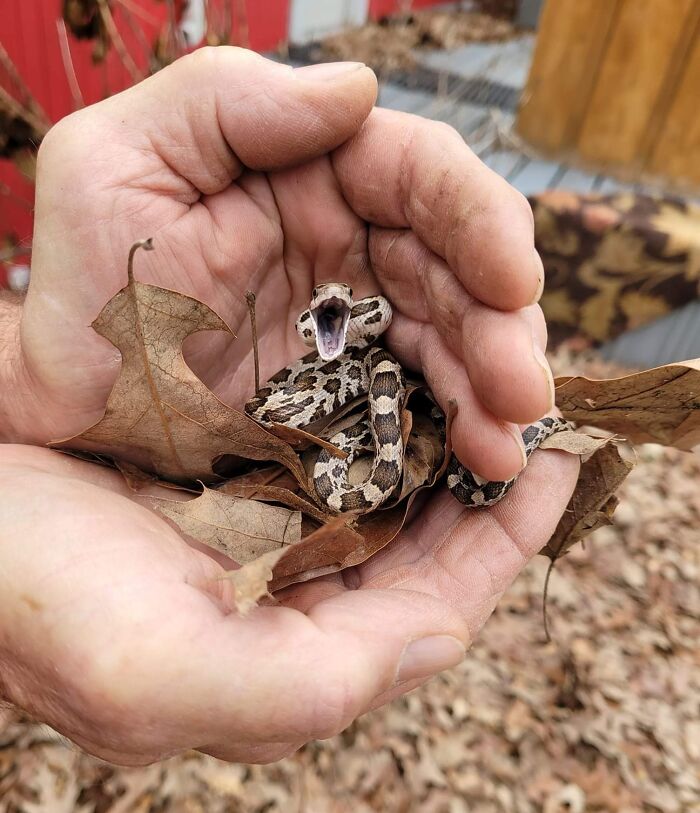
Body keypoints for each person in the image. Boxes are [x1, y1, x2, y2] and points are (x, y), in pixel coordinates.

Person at [0, 49, 579, 766]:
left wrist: (24, 381)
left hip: (378, 435)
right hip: (322, 441)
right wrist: (27, 381)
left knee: (494, 395)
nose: (324, 327)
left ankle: (491, 447)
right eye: (319, 321)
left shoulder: (370, 354)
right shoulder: (300, 369)